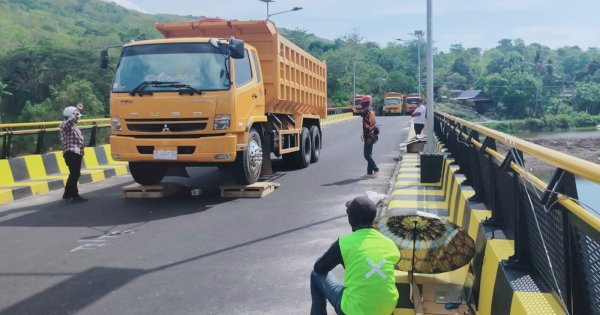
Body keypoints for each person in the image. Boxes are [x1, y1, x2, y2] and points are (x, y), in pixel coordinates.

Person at [310, 195, 401, 315]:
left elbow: (319, 268)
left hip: (354, 311)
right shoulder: (389, 243)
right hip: (386, 309)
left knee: (315, 275)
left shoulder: (344, 243)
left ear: (351, 218)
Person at [60, 102, 88, 203]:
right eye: (76, 116)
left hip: (76, 152)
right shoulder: (65, 125)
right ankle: (72, 195)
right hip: (71, 152)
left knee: (74, 173)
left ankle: (68, 194)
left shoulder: (74, 127)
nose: (77, 118)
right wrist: (77, 110)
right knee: (75, 174)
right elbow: (71, 120)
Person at [360, 95, 379, 178]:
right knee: (369, 154)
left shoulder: (367, 111)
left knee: (366, 155)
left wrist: (368, 136)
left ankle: (376, 169)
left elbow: (368, 125)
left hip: (369, 135)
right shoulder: (371, 110)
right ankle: (369, 172)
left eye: (362, 103)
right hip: (371, 134)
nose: (361, 105)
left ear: (364, 103)